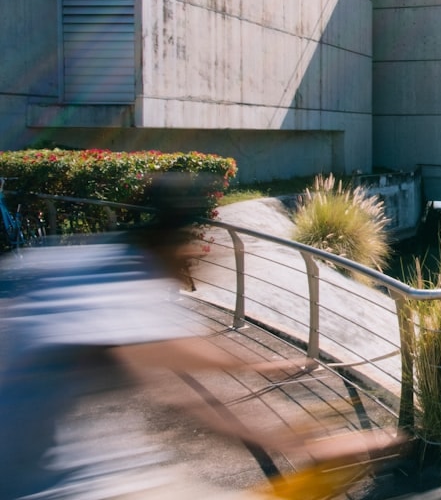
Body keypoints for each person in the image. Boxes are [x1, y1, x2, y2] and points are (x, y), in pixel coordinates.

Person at [0, 172, 400, 500]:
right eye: (196, 243)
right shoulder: (124, 291)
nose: (201, 255)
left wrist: (259, 365)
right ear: (176, 243)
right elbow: (186, 400)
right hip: (54, 484)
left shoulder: (95, 264)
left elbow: (180, 348)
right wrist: (299, 447)